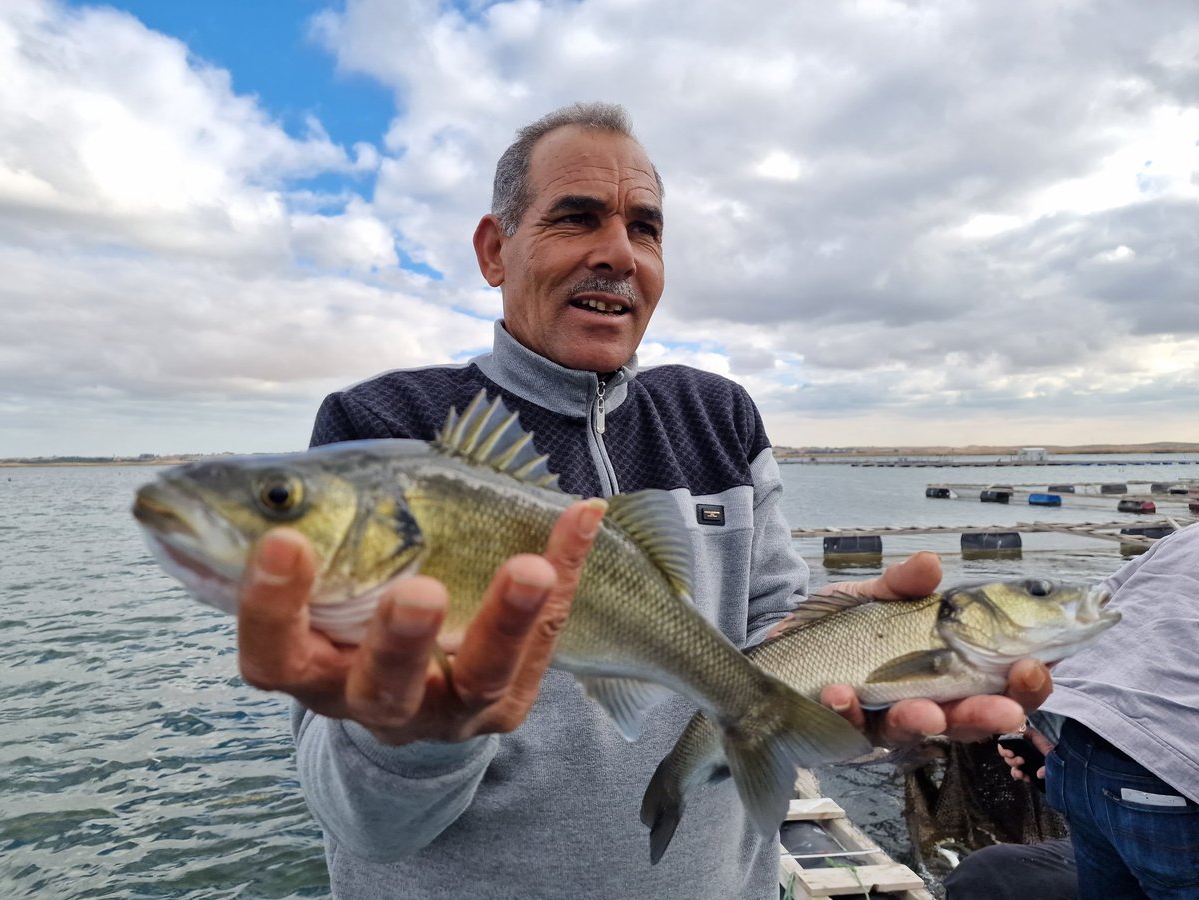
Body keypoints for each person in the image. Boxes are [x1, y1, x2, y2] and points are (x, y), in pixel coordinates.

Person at [234, 102, 1050, 897]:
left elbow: (768, 630)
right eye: (577, 218)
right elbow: (359, 819)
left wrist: (850, 650)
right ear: (495, 250)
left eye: (645, 228)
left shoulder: (717, 415)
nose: (618, 254)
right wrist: (414, 737)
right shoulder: (384, 432)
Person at [945, 522, 1199, 900]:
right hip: (1170, 770)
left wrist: (1045, 719)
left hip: (1076, 751)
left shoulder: (1187, 537)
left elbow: (1081, 613)